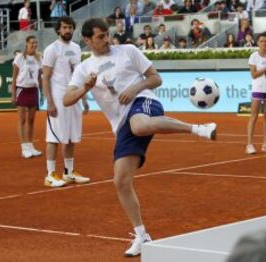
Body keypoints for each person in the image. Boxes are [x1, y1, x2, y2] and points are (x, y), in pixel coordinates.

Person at [63, 18, 217, 257]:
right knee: (121, 180)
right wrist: (85, 87)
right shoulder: (84, 68)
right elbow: (66, 99)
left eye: (107, 34)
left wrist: (134, 88)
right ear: (87, 40)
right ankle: (141, 234)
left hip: (144, 101)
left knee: (140, 124)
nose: (106, 40)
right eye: (100, 37)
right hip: (121, 122)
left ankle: (198, 128)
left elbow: (156, 78)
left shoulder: (128, 51)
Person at [42, 16, 90, 187]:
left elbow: (80, 75)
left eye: (70, 27)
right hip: (57, 98)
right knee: (54, 137)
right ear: (58, 29)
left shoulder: (76, 48)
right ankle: (50, 174)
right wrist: (49, 102)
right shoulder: (51, 49)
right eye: (64, 27)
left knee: (70, 137)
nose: (67, 30)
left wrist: (83, 99)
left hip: (74, 98)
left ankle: (69, 172)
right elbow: (45, 77)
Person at [11, 36, 43, 159]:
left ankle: (30, 145)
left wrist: (41, 92)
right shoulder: (19, 57)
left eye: (35, 43)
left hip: (33, 90)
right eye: (31, 43)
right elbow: (14, 77)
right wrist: (13, 94)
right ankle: (24, 147)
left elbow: (39, 76)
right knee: (22, 120)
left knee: (31, 120)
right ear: (26, 44)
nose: (33, 45)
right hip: (22, 89)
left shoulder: (39, 58)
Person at [246, 32, 266, 155]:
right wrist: (265, 68)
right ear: (258, 43)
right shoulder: (253, 56)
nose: (264, 43)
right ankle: (249, 144)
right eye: (261, 41)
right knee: (253, 116)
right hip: (258, 89)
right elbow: (253, 75)